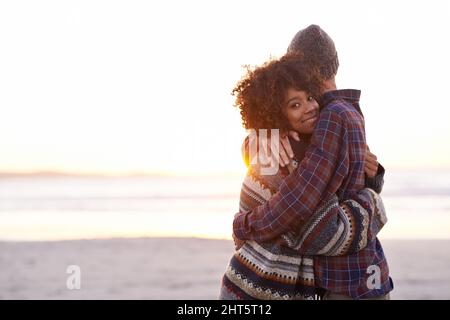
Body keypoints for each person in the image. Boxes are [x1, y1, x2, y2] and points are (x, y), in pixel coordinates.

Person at [231, 25, 393, 300]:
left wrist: (244, 226)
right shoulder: (348, 110)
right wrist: (259, 136)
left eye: (305, 97)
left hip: (344, 277)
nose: (306, 105)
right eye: (294, 103)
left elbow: (300, 200)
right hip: (363, 272)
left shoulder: (330, 116)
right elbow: (350, 173)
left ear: (303, 70)